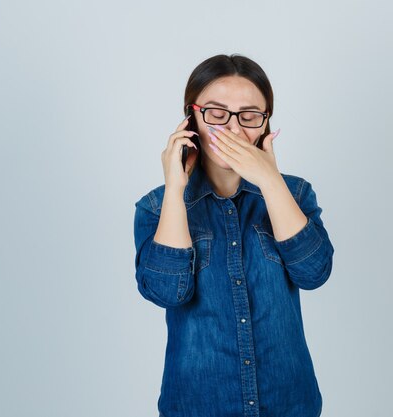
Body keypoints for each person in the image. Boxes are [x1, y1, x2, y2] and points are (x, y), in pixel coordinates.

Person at [133, 53, 334, 417]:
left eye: (249, 115)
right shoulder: (157, 206)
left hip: (289, 404)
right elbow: (166, 292)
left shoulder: (296, 194)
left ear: (265, 123)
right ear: (190, 117)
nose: (233, 128)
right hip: (197, 406)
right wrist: (176, 190)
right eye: (216, 112)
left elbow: (314, 273)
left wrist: (270, 181)